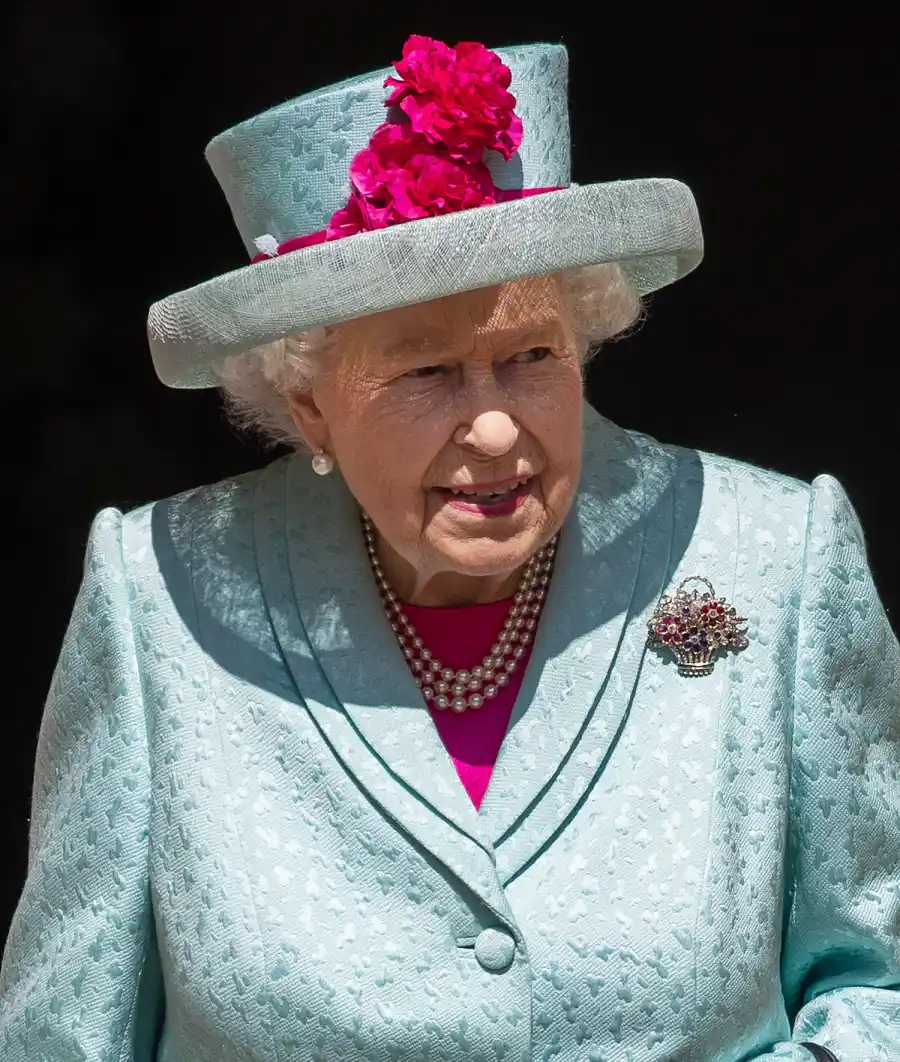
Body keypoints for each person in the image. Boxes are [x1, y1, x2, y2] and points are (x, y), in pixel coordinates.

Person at [1, 34, 896, 1062]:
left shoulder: (774, 558)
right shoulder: (152, 599)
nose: (497, 429)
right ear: (309, 405)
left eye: (530, 356)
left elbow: (881, 981)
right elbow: (64, 1038)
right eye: (427, 372)